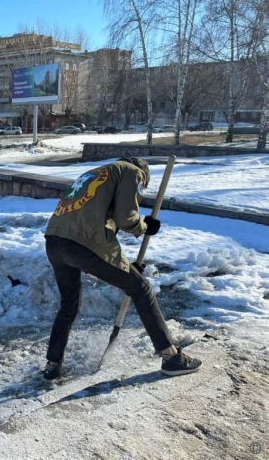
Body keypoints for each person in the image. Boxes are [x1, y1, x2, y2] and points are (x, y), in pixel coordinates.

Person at [42, 157, 202, 382]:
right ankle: (171, 357)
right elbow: (125, 218)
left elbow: (99, 226)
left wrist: (125, 266)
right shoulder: (132, 172)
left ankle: (52, 367)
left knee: (69, 306)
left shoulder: (95, 172)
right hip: (82, 244)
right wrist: (146, 227)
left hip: (55, 241)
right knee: (141, 288)